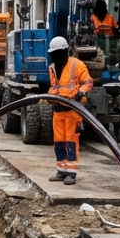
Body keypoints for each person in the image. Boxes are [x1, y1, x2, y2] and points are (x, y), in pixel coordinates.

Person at [46, 35, 93, 185]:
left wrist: (81, 93)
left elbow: (88, 81)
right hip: (58, 111)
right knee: (59, 142)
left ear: (65, 51)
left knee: (71, 142)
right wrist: (50, 96)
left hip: (72, 110)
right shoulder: (52, 68)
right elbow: (55, 87)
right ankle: (61, 170)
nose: (55, 56)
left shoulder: (76, 65)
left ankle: (71, 173)